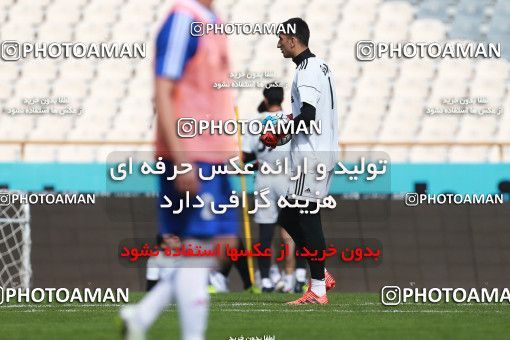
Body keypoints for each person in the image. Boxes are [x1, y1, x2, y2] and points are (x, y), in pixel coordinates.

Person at [119, 0, 238, 338]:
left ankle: (142, 315)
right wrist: (181, 157)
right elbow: (163, 90)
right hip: (191, 153)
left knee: (223, 244)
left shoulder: (211, 20)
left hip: (214, 157)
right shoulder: (182, 20)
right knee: (199, 248)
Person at [261, 17, 338, 304]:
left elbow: (308, 116)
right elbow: (306, 114)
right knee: (288, 216)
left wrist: (279, 132)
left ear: (293, 39)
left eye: (281, 37)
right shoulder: (319, 66)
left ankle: (318, 288)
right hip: (321, 152)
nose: (278, 43)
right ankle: (321, 273)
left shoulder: (306, 70)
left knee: (307, 218)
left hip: (312, 155)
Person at [242, 84, 307, 293]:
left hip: (264, 178)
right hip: (287, 176)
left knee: (265, 231)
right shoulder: (290, 120)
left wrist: (257, 160)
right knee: (292, 229)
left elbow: (245, 156)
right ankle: (295, 276)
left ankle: (267, 279)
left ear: (266, 99)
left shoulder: (254, 122)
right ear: (282, 99)